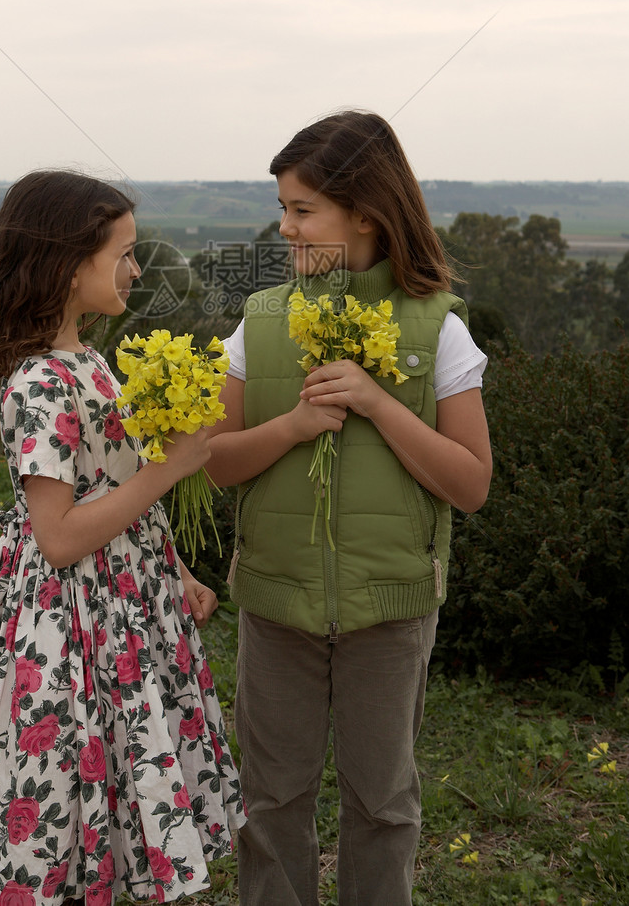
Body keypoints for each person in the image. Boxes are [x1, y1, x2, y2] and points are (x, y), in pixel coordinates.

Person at [206, 111, 491, 906]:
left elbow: (471, 483)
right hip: (275, 604)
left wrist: (374, 400)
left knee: (383, 806)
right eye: (283, 209)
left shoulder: (440, 330)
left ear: (364, 213)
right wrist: (294, 425)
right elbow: (215, 466)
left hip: (391, 613)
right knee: (269, 806)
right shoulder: (258, 324)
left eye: (302, 210)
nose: (285, 228)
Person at [0, 170, 246, 906]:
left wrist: (175, 568)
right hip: (74, 626)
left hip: (124, 607)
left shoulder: (89, 360)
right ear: (69, 261)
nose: (136, 269)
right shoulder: (41, 382)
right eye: (123, 252)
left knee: (113, 782)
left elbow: (108, 487)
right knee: (75, 787)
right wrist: (172, 469)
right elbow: (58, 537)